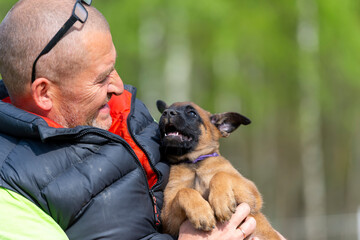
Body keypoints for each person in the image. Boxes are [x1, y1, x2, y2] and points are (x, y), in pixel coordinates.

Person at [0, 0, 258, 239]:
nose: (119, 86)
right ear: (44, 93)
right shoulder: (9, 194)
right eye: (101, 78)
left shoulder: (129, 117)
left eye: (114, 68)